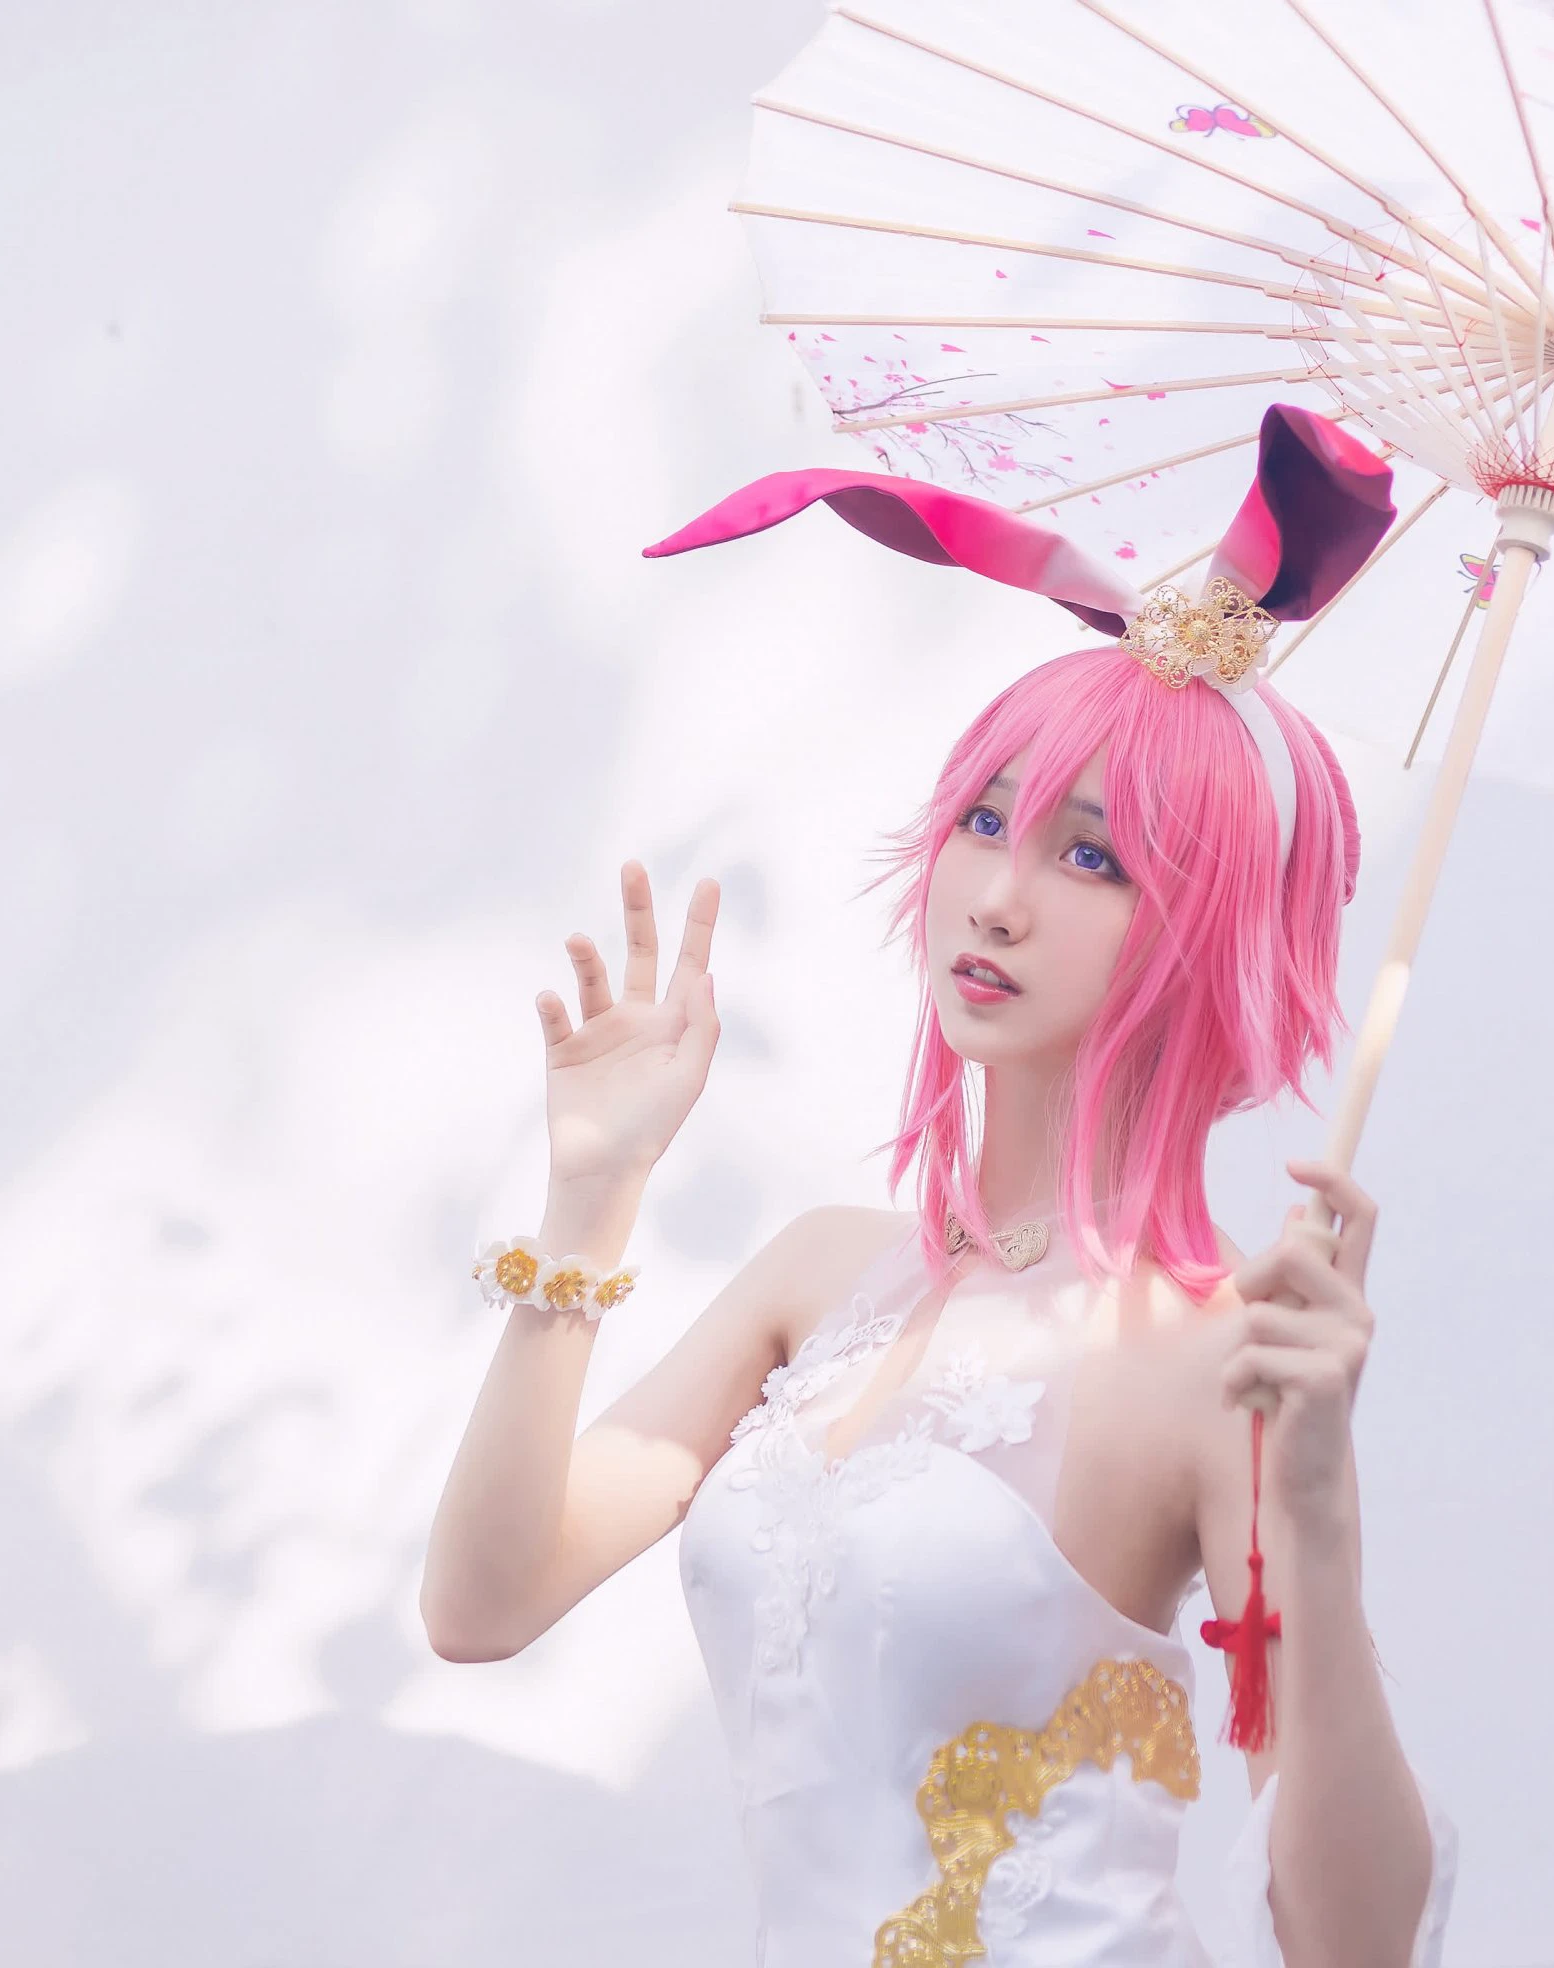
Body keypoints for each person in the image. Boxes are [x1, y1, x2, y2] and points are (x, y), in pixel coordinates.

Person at [422, 407, 1457, 1967]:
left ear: (1209, 930)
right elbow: (482, 1606)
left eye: (1090, 857)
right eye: (985, 821)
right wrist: (591, 1202)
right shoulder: (817, 1276)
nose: (997, 896)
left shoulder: (1223, 1359)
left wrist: (1315, 1514)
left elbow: (1355, 1947)